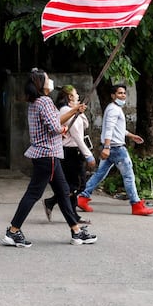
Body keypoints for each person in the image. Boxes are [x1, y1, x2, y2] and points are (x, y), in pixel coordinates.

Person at [2, 69, 98, 248]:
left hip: (47, 154)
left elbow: (53, 122)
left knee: (62, 193)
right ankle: (13, 231)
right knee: (34, 193)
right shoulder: (45, 101)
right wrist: (62, 130)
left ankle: (76, 231)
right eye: (47, 79)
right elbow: (55, 126)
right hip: (48, 156)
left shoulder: (36, 102)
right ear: (41, 84)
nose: (50, 81)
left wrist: (75, 110)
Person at [77, 84, 153, 216]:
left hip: (112, 148)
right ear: (113, 95)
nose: (123, 95)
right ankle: (136, 204)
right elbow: (109, 129)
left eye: (124, 93)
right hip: (116, 149)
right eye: (119, 93)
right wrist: (107, 147)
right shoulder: (114, 109)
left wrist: (131, 136)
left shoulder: (113, 108)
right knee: (129, 176)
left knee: (99, 174)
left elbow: (117, 129)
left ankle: (83, 197)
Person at [43, 85, 95, 224]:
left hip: (71, 152)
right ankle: (52, 202)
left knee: (73, 184)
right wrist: (88, 155)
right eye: (76, 94)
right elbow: (77, 135)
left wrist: (79, 111)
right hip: (71, 152)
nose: (78, 96)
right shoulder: (65, 111)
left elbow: (85, 125)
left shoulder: (70, 111)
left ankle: (72, 214)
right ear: (70, 97)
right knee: (78, 185)